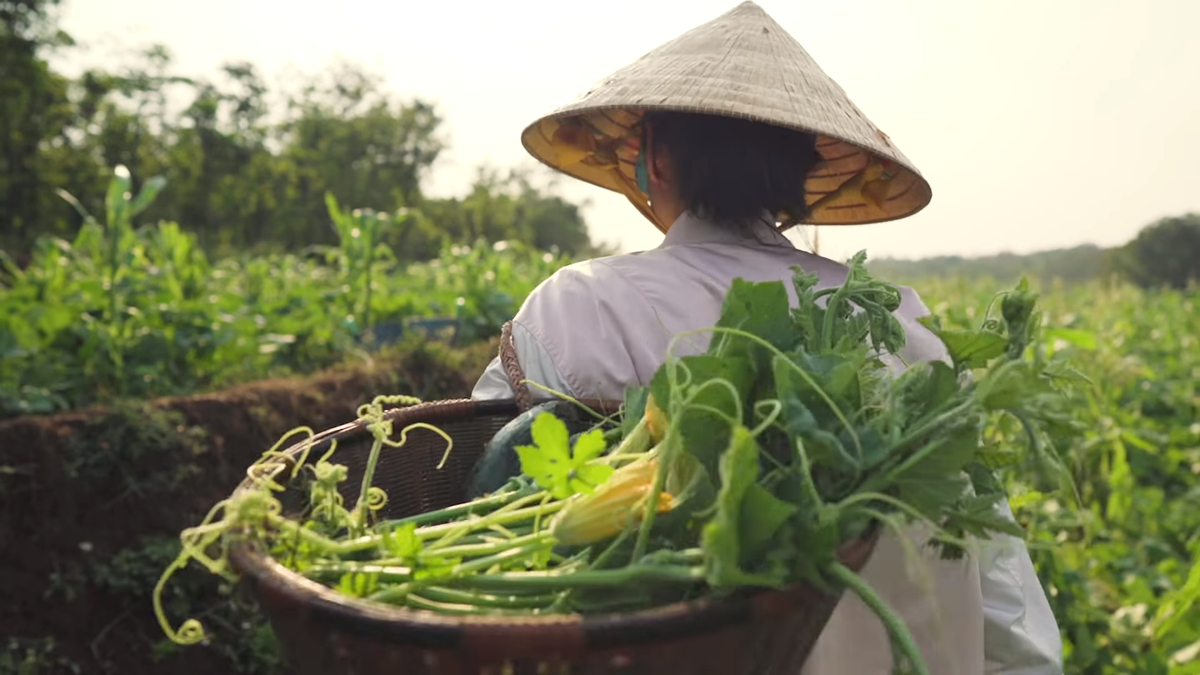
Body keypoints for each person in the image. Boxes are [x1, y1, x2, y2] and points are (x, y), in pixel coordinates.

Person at [471, 2, 1063, 673]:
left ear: (655, 159)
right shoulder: (903, 321)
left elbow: (492, 499)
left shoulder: (578, 305)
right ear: (801, 177)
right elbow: (1005, 602)